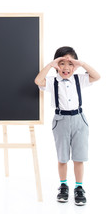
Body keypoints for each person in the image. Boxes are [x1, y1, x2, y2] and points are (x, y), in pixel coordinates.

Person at [34, 46, 100, 205]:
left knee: (79, 157)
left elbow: (97, 76)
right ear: (57, 65)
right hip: (61, 120)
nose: (66, 68)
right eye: (62, 63)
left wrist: (81, 64)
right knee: (62, 157)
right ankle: (63, 186)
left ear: (74, 65)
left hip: (79, 119)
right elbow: (38, 81)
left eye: (70, 64)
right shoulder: (52, 82)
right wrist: (51, 64)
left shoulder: (79, 79)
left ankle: (79, 187)